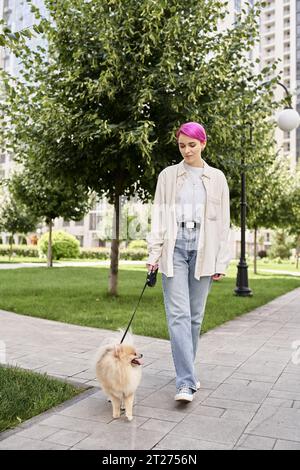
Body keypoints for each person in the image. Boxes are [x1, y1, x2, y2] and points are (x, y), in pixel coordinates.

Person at [146, 121, 231, 403]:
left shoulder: (217, 178)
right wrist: (153, 255)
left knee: (195, 318)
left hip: (204, 251)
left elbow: (224, 224)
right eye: (182, 145)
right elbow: (159, 216)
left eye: (192, 145)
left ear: (203, 143)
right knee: (179, 316)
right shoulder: (168, 176)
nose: (187, 150)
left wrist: (221, 261)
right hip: (176, 248)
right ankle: (185, 382)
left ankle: (187, 372)